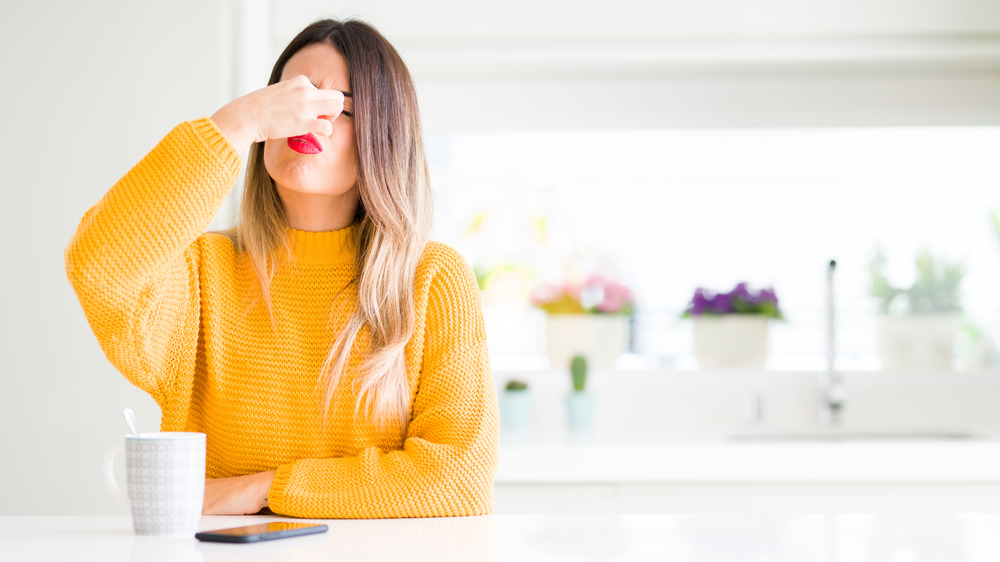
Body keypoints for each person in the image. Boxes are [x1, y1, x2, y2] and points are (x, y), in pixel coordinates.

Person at [64, 18, 498, 519]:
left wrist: (266, 489)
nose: (310, 122)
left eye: (342, 108)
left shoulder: (433, 279)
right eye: (293, 101)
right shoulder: (202, 273)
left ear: (385, 135)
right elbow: (97, 264)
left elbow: (458, 479)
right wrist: (233, 124)